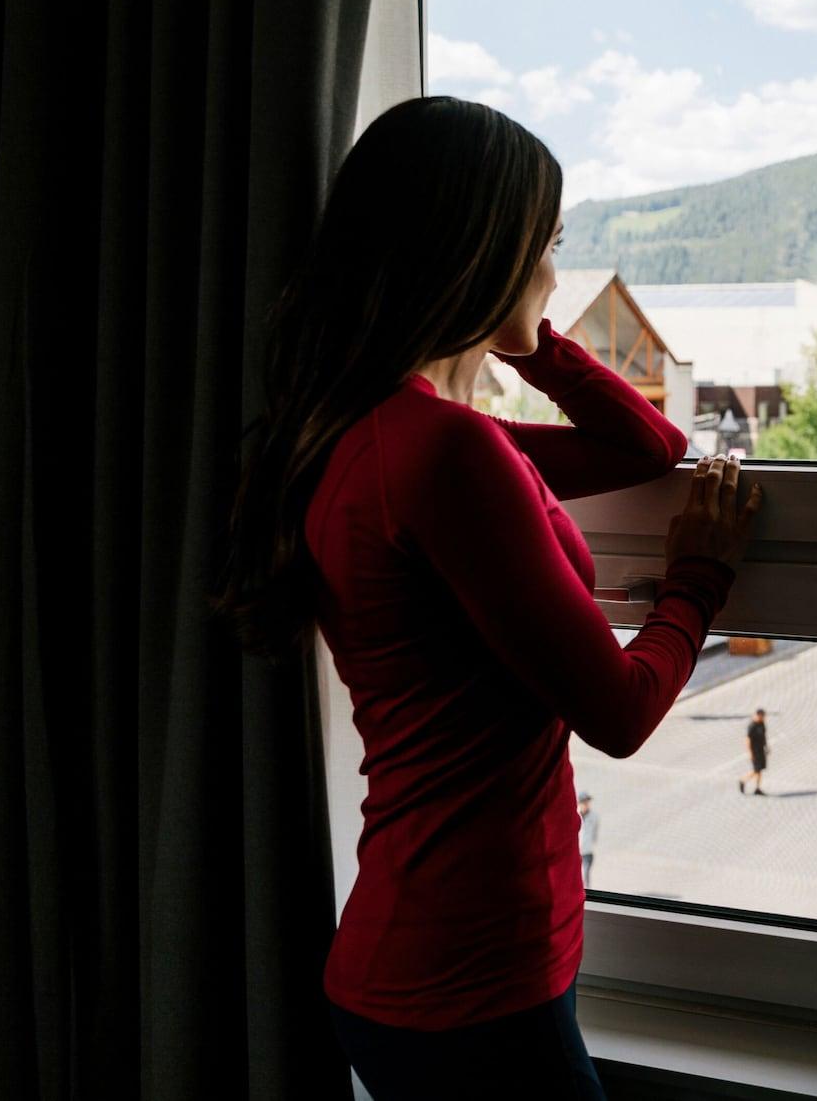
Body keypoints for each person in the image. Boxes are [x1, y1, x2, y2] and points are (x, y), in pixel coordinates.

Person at [217, 97, 762, 1101]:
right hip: (472, 986)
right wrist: (699, 575)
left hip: (416, 971)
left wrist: (524, 338)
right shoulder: (448, 453)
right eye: (543, 248)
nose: (555, 276)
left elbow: (646, 447)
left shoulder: (375, 432)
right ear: (479, 251)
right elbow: (619, 707)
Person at [741, 708, 769, 795]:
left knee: (760, 770)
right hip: (755, 751)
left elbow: (764, 736)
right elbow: (748, 740)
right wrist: (750, 752)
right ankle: (743, 780)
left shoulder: (762, 724)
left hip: (761, 750)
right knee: (757, 770)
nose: (763, 718)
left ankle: (757, 788)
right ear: (757, 715)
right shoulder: (752, 726)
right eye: (761, 716)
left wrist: (766, 747)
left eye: (763, 716)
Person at [577, 793, 598, 887]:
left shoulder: (594, 816)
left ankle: (587, 895)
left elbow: (594, 833)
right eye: (584, 802)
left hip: (587, 852)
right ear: (579, 803)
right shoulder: (574, 814)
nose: (587, 804)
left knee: (585, 874)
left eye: (588, 802)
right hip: (575, 852)